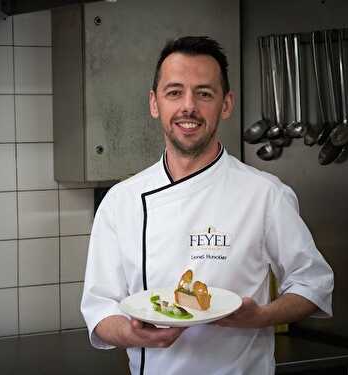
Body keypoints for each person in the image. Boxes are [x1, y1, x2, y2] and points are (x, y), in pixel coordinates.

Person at [81, 36, 334, 375]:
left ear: (226, 104)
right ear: (154, 103)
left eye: (204, 93)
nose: (189, 107)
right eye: (174, 92)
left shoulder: (264, 194)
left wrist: (260, 317)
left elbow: (313, 283)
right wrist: (129, 332)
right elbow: (100, 309)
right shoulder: (120, 201)